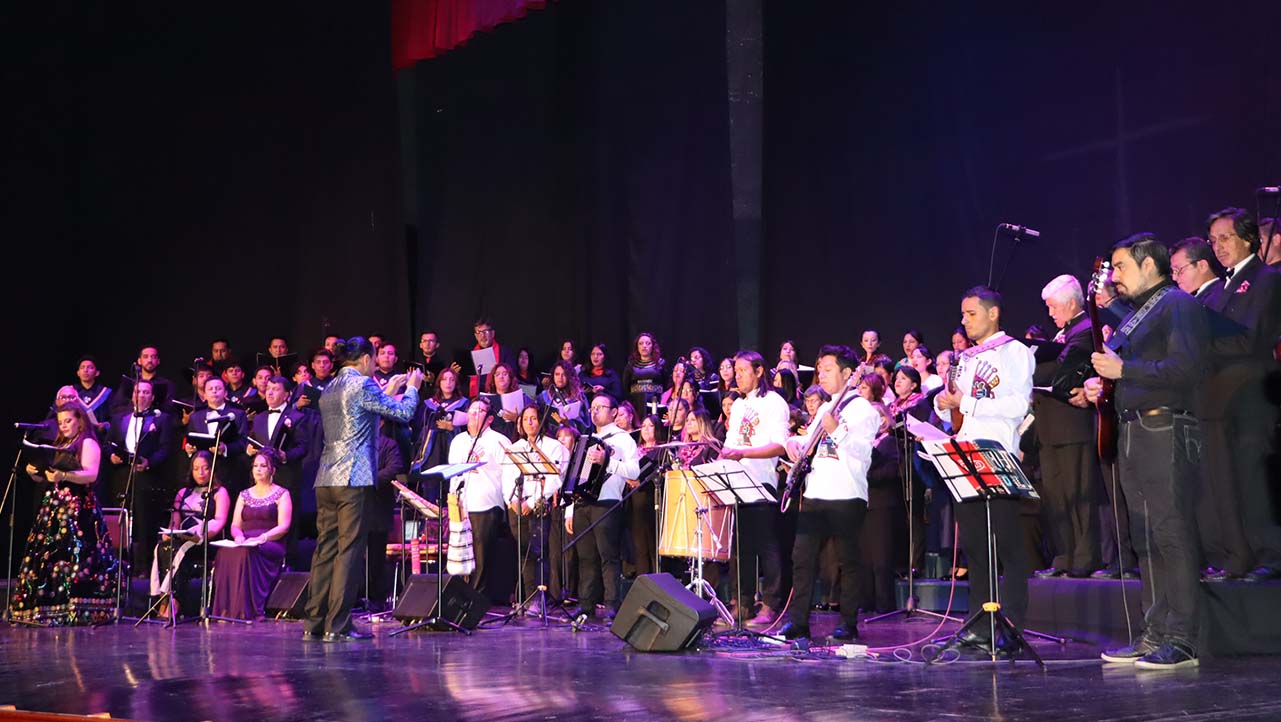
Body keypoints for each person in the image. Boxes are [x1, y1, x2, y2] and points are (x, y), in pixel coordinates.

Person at [1086, 233, 1209, 670]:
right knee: (1145, 539)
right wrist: (1104, 383)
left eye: (1121, 267)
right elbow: (1128, 371)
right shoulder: (1138, 316)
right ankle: (1153, 633)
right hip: (1134, 430)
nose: (1114, 277)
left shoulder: (1178, 305)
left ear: (1149, 266)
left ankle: (1182, 638)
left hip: (1166, 426)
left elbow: (1187, 368)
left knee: (1171, 533)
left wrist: (1126, 369)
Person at [933, 286, 1035, 656]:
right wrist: (945, 404)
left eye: (971, 313)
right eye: (962, 313)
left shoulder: (1015, 352)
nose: (964, 320)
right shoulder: (967, 358)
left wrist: (967, 401)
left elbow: (1017, 405)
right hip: (966, 453)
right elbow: (956, 409)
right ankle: (980, 623)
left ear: (993, 314)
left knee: (1006, 545)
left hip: (996, 455)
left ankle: (1012, 627)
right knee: (976, 547)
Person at [304, 336, 422, 642]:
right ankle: (338, 625)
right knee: (349, 551)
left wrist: (388, 391)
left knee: (325, 550)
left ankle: (314, 622)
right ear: (367, 359)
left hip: (326, 479)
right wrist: (412, 388)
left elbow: (358, 412)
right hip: (352, 480)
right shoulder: (362, 385)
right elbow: (404, 413)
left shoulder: (330, 387)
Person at [1198, 208, 1281, 581]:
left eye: (1225, 237)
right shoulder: (1217, 289)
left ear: (1249, 238)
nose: (1218, 247)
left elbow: (1252, 338)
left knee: (1252, 477)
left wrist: (1200, 344)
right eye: (1213, 240)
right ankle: (1239, 555)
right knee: (1226, 481)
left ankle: (1272, 555)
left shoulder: (1267, 279)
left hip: (1251, 392)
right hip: (1219, 397)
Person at [779, 344, 880, 641]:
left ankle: (848, 622)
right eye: (819, 369)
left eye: (827, 369)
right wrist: (794, 447)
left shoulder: (864, 409)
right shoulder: (824, 407)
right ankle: (799, 621)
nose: (820, 375)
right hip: (816, 493)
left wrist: (836, 430)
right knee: (802, 557)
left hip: (847, 495)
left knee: (847, 560)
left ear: (848, 374)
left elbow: (863, 453)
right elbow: (807, 446)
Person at [10, 404, 120, 625]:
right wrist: (37, 473)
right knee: (50, 555)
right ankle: (47, 607)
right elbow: (51, 477)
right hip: (55, 507)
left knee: (77, 557)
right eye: (60, 422)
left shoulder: (87, 442)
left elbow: (90, 474)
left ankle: (78, 609)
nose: (64, 426)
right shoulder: (60, 443)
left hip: (79, 510)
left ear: (80, 420)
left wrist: (63, 474)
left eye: (68, 421)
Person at [1031, 274, 1103, 579]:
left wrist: (1029, 367)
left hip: (1073, 427)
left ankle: (1084, 558)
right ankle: (1064, 556)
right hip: (1051, 428)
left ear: (1071, 303)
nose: (1049, 313)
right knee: (1057, 497)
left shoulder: (1085, 330)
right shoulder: (1065, 333)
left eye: (1052, 307)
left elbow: (1063, 371)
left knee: (1078, 494)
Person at [721, 350, 789, 626]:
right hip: (737, 480)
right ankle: (743, 601)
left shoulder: (774, 402)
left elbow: (780, 445)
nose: (737, 375)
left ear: (759, 371)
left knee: (766, 545)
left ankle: (771, 603)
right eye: (734, 371)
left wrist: (743, 453)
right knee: (740, 547)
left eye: (742, 370)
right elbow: (731, 442)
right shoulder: (737, 405)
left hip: (761, 481)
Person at [565, 394, 640, 620]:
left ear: (614, 412)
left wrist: (606, 461)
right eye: (593, 407)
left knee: (608, 556)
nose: (595, 411)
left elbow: (634, 473)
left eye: (601, 407)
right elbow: (575, 476)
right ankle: (586, 603)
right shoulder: (585, 440)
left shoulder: (623, 439)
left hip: (607, 502)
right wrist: (570, 508)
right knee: (586, 556)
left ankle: (611, 603)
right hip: (583, 503)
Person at [104, 378, 174, 573]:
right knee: (120, 521)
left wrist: (149, 462)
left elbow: (165, 448)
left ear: (151, 398)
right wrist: (111, 455)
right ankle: (118, 566)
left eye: (145, 392)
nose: (141, 395)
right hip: (122, 475)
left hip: (146, 476)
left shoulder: (162, 418)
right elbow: (108, 443)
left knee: (144, 522)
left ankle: (143, 567)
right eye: (138, 392)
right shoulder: (120, 417)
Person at [212, 453, 293, 621]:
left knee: (247, 553)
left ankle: (246, 610)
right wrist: (239, 537)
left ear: (273, 470)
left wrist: (262, 538)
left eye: (263, 466)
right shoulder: (244, 495)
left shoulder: (282, 494)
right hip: (246, 541)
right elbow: (235, 525)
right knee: (224, 552)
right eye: (256, 466)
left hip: (270, 541)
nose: (258, 469)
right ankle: (226, 610)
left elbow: (283, 526)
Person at [150, 451, 230, 621]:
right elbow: (175, 521)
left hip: (205, 540)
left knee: (180, 549)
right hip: (182, 538)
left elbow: (220, 521)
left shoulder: (219, 492)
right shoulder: (183, 493)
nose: (200, 473)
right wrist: (170, 532)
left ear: (212, 470)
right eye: (196, 469)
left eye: (205, 468)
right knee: (162, 546)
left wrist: (201, 535)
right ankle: (163, 599)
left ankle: (174, 602)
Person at [502, 405, 568, 611]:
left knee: (538, 552)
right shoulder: (515, 448)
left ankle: (539, 599)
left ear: (541, 421)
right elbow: (505, 478)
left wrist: (531, 503)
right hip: (516, 504)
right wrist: (510, 500)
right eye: (525, 419)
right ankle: (528, 596)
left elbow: (556, 479)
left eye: (533, 418)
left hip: (538, 506)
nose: (529, 422)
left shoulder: (553, 446)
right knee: (523, 553)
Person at [447, 397, 512, 603]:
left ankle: (477, 599)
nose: (474, 414)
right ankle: (461, 596)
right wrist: (452, 501)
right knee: (462, 553)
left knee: (481, 555)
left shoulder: (499, 441)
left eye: (480, 411)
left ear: (490, 418)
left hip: (486, 504)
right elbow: (453, 474)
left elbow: (508, 474)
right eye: (472, 411)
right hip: (461, 504)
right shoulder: (458, 441)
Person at [622, 332, 666, 414]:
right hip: (635, 402)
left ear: (652, 346)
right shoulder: (631, 365)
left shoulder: (660, 363)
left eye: (648, 343)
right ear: (637, 347)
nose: (644, 346)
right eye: (641, 344)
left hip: (655, 401)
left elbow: (665, 383)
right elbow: (625, 386)